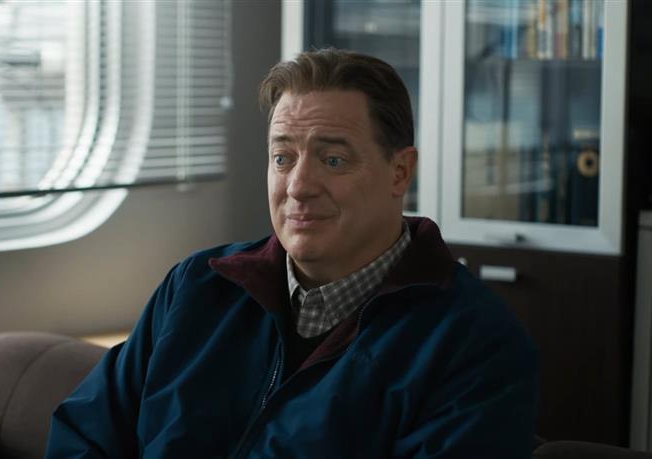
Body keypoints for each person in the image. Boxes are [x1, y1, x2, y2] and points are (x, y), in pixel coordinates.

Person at [45, 49, 539, 458]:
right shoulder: (195, 286)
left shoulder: (475, 343)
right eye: (283, 158)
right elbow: (85, 435)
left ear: (399, 172)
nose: (298, 186)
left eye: (333, 159)